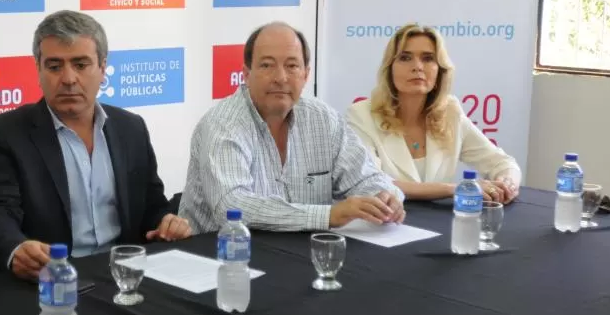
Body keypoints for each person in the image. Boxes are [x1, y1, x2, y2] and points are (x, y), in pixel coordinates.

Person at [0, 10, 191, 279]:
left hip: (124, 273)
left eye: (81, 64)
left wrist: (167, 222)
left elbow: (151, 206)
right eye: (54, 66)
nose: (69, 78)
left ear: (103, 67)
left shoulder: (131, 128)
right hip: (53, 276)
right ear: (38, 69)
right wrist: (16, 249)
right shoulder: (2, 134)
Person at [179, 22, 404, 234]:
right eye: (267, 65)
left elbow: (367, 178)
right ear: (247, 74)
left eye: (292, 66)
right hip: (222, 257)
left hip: (299, 252)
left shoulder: (323, 119)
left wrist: (386, 197)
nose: (280, 77)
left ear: (306, 75)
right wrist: (328, 215)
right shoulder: (223, 124)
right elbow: (232, 206)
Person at [346, 23, 521, 203]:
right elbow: (370, 183)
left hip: (440, 225)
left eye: (428, 58)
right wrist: (452, 189)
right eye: (405, 58)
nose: (417, 67)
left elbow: (502, 162)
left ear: (440, 71)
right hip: (384, 222)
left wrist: (507, 183)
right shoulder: (361, 114)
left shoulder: (450, 111)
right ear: (390, 69)